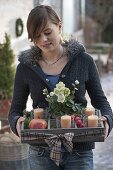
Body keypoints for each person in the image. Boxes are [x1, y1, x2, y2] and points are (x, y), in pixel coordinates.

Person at [8, 5, 113, 170]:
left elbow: (100, 101)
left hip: (79, 152)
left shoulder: (84, 61)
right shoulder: (25, 67)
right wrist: (17, 123)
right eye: (37, 36)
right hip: (40, 152)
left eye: (47, 32)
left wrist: (107, 119)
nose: (43, 39)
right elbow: (15, 110)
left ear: (59, 26)